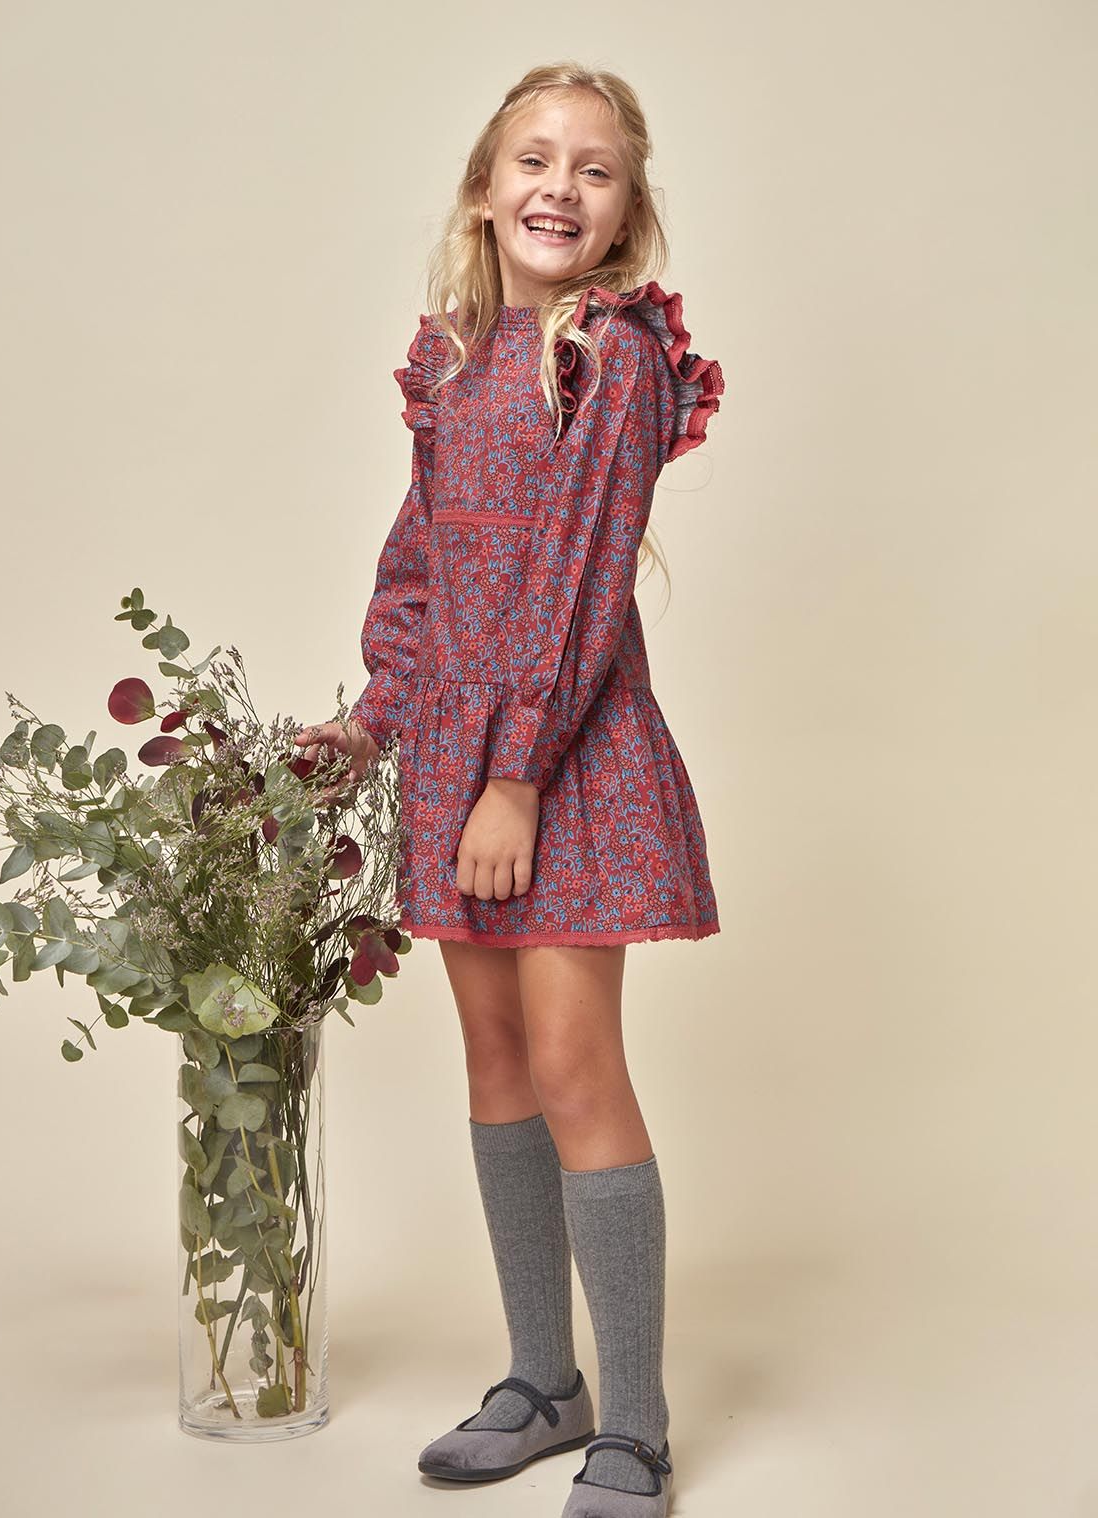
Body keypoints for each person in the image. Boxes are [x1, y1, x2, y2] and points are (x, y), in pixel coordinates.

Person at [294, 61, 725, 1518]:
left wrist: (520, 777)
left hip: (565, 761)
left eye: (594, 170)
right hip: (457, 759)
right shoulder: (456, 357)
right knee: (495, 1065)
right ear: (484, 189)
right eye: (534, 160)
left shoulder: (617, 357)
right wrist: (376, 722)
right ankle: (545, 1380)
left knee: (574, 1066)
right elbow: (420, 560)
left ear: (627, 212)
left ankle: (638, 1427)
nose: (559, 187)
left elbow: (585, 584)